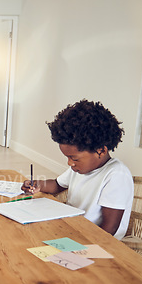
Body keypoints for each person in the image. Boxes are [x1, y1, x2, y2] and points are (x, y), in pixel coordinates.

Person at [21, 99, 133, 239]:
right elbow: (57, 185)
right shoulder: (81, 168)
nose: (70, 163)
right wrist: (37, 184)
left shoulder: (116, 175)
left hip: (95, 240)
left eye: (74, 158)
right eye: (67, 158)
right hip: (71, 228)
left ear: (101, 151)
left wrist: (76, 240)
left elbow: (109, 228)